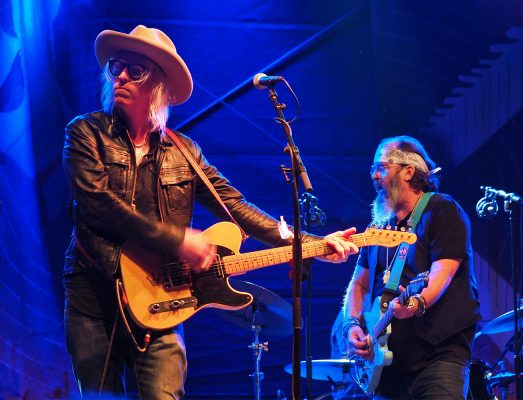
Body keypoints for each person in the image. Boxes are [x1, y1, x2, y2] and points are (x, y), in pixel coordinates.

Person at [62, 25, 358, 399]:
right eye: (116, 67)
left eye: (134, 70)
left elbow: (236, 207)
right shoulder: (86, 133)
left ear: (160, 85)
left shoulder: (185, 152)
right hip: (95, 296)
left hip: (164, 298)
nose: (120, 75)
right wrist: (177, 240)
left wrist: (313, 242)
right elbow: (98, 204)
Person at [343, 136, 480, 399]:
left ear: (408, 171)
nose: (374, 176)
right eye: (373, 169)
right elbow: (358, 284)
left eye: (381, 167)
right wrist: (351, 325)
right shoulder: (377, 229)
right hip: (386, 365)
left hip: (438, 356)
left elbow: (443, 273)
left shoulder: (441, 209)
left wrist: (417, 302)